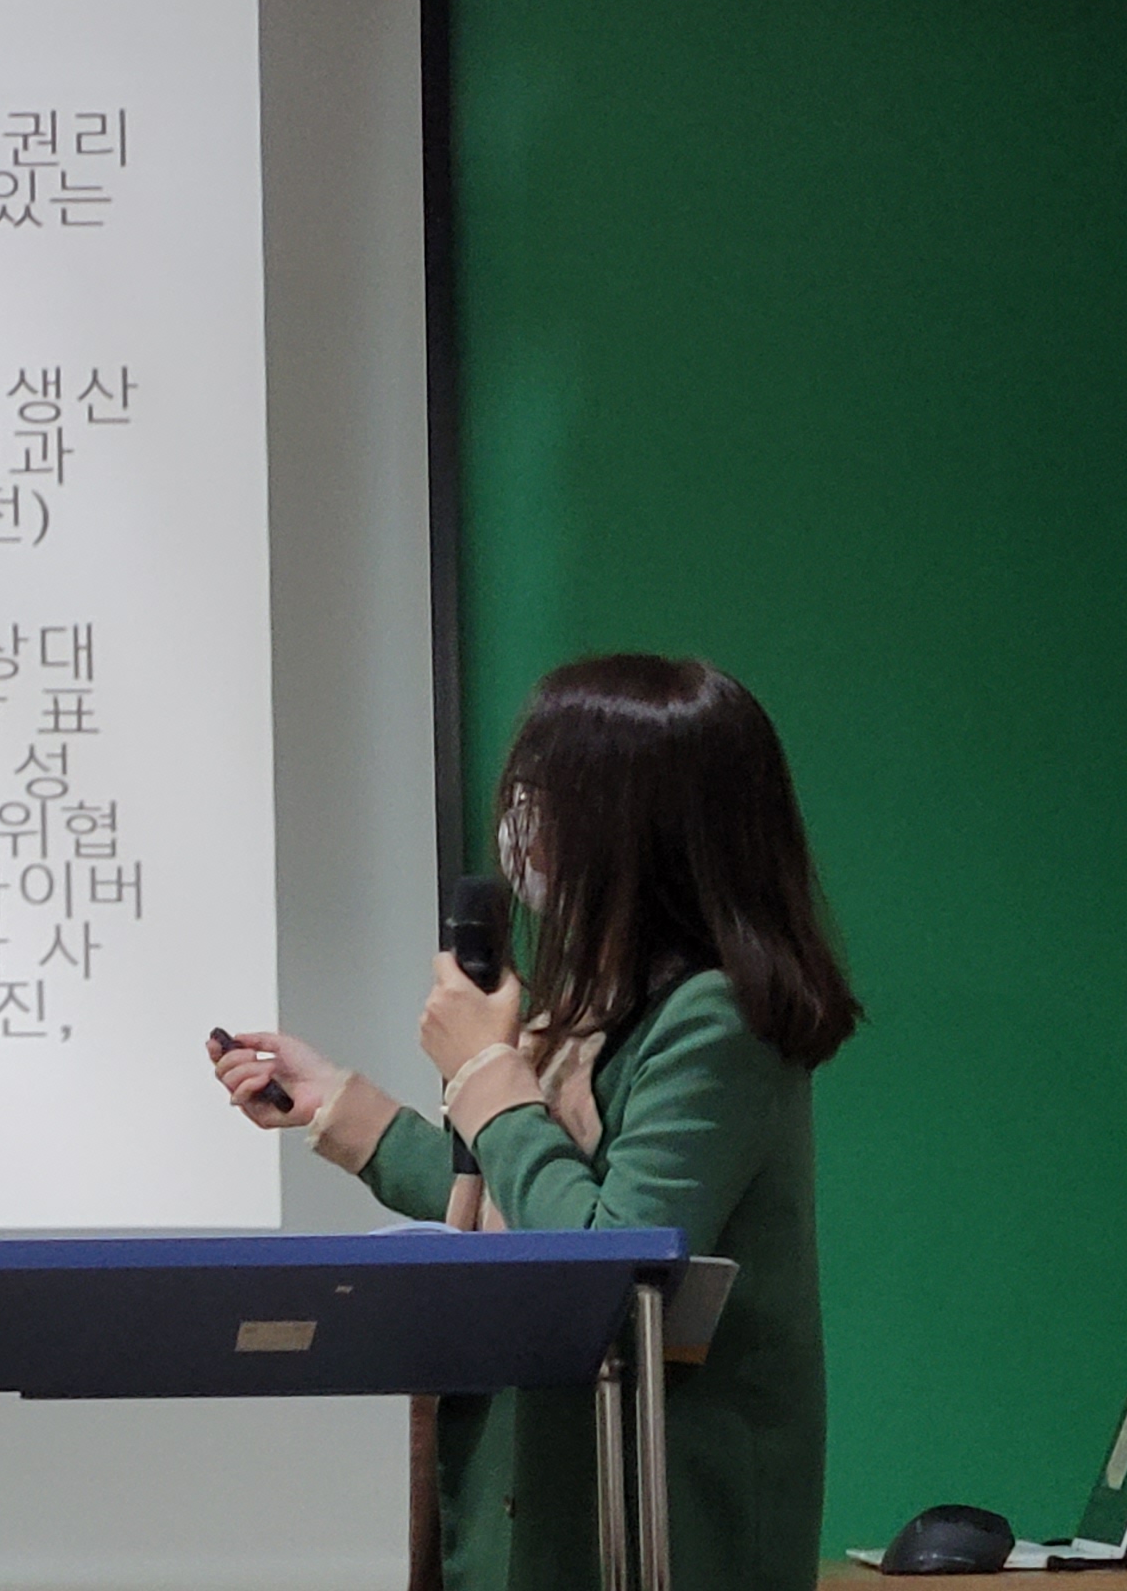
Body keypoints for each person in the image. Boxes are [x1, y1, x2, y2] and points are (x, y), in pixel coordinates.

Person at [211, 654, 862, 1591]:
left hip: (659, 1525)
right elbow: (516, 1210)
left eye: (548, 797)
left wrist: (487, 1073)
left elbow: (602, 1257)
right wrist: (343, 1110)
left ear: (637, 828)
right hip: (539, 1504)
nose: (520, 824)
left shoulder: (717, 1021)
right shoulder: (591, 1006)